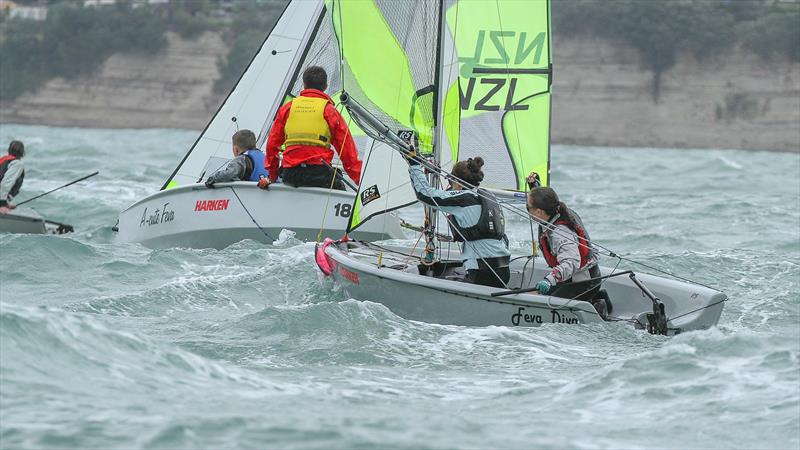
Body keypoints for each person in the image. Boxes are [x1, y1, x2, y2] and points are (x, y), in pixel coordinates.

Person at [406, 154, 511, 288]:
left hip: (483, 272)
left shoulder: (463, 199)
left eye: (450, 182)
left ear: (457, 183)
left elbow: (425, 195)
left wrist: (414, 166)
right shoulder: (486, 197)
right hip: (503, 269)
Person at [264, 66, 361, 191]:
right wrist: (360, 182)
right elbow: (347, 152)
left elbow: (272, 145)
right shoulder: (329, 111)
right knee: (338, 183)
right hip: (319, 175)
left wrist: (272, 176)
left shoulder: (288, 108)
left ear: (304, 84)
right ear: (326, 86)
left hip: (291, 175)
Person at [526, 173, 608, 318]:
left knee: (546, 304)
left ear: (539, 211)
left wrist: (549, 280)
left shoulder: (560, 232)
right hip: (576, 278)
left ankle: (597, 305)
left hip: (583, 282)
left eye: (528, 207)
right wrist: (535, 187)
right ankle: (597, 298)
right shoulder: (556, 211)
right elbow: (546, 202)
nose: (526, 210)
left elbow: (572, 262)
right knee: (535, 295)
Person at [204, 129, 270, 188]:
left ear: (236, 149)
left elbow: (229, 173)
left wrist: (213, 178)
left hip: (252, 193)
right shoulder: (265, 157)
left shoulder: (241, 159)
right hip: (268, 192)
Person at [0, 140, 25, 214]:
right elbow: (6, 183)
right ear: (22, 152)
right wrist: (2, 204)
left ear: (9, 150)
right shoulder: (17, 164)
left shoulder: (3, 160)